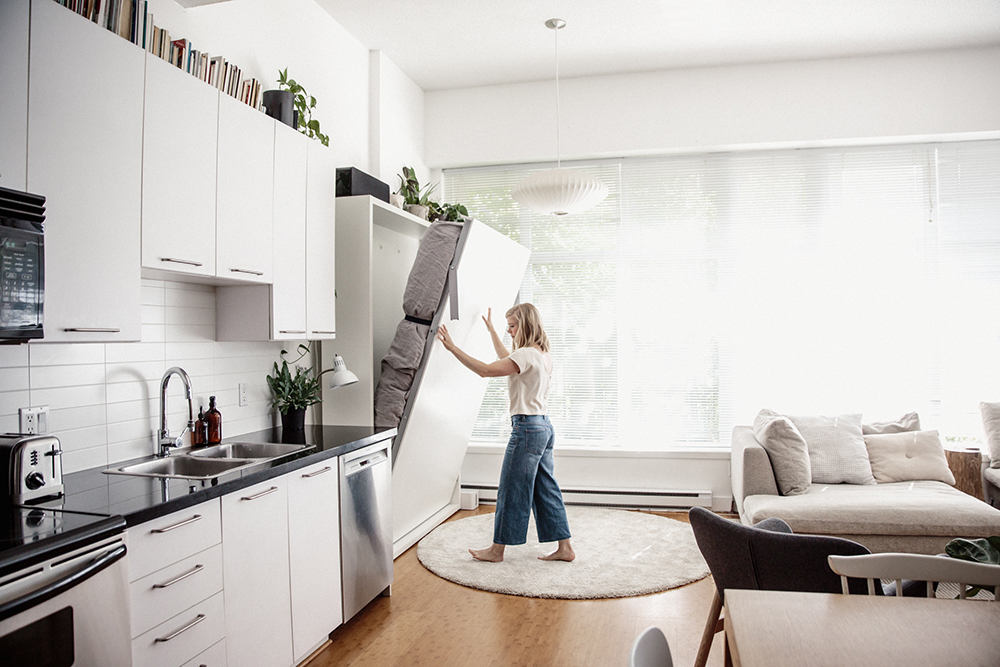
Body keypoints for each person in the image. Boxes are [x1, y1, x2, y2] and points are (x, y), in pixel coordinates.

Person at [436, 303, 574, 563]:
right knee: (546, 489)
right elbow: (508, 360)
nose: (509, 331)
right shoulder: (541, 354)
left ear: (526, 324)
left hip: (526, 430)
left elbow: (486, 370)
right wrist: (491, 333)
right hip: (543, 426)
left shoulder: (525, 355)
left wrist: (452, 347)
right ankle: (565, 547)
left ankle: (496, 550)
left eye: (512, 326)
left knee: (512, 489)